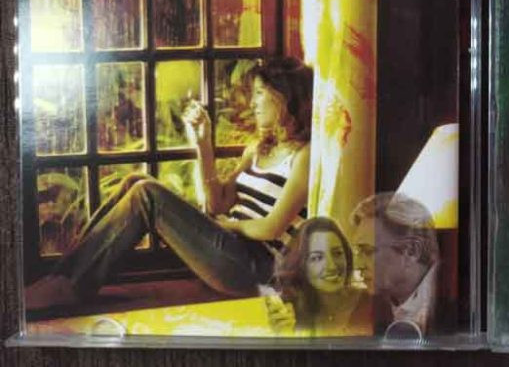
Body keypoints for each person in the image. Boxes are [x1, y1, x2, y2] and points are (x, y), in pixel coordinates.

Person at [25, 57, 314, 310]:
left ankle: (71, 288)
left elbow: (272, 227)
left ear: (284, 98)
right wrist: (203, 144)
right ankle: (60, 279)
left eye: (260, 93)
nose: (252, 103)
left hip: (255, 267)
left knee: (147, 194)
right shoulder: (257, 149)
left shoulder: (304, 156)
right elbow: (218, 203)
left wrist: (230, 226)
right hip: (229, 247)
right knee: (135, 180)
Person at [350, 192, 441, 336]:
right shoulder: (367, 307)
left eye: (368, 251)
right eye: (357, 252)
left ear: (411, 251)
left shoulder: (448, 303)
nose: (357, 265)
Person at [268, 217, 372, 336]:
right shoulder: (289, 311)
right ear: (300, 265)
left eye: (337, 253)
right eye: (317, 258)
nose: (332, 266)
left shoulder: (373, 305)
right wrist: (284, 335)